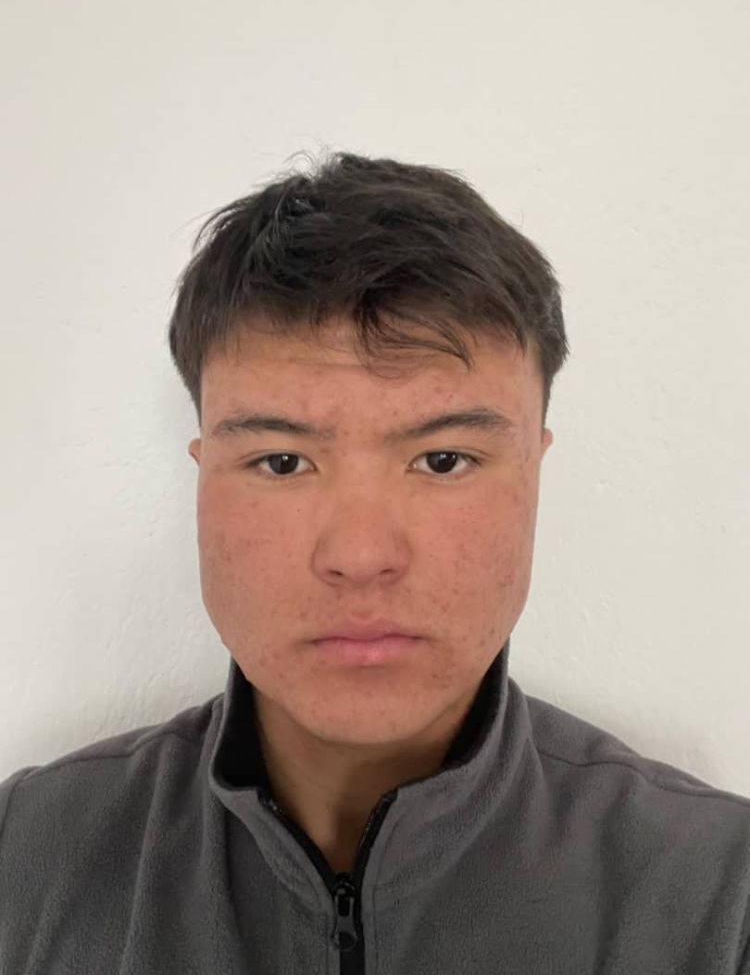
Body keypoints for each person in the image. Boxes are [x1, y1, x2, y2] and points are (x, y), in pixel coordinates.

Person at [1, 151, 748, 973]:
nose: (360, 557)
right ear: (203, 474)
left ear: (534, 471)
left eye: (443, 460)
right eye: (282, 462)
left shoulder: (722, 898)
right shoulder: (22, 857)